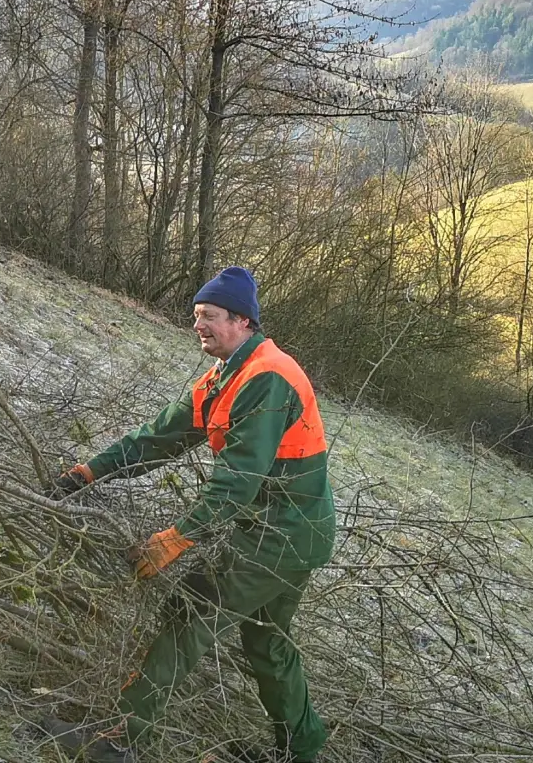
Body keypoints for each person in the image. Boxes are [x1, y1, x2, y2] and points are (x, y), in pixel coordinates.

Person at [49, 266, 336, 763]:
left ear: (243, 321)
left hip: (279, 535)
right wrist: (88, 473)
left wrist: (177, 537)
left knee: (190, 613)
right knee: (267, 642)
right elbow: (157, 439)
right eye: (196, 316)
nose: (198, 325)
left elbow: (238, 481)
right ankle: (302, 748)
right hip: (296, 534)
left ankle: (123, 741)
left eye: (210, 316)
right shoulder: (224, 378)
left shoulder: (267, 378)